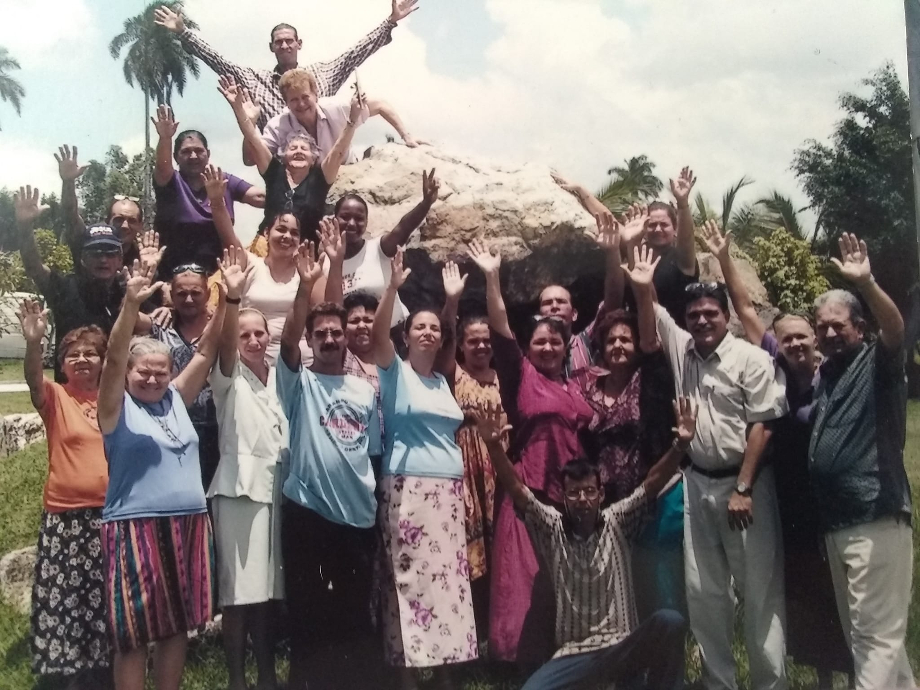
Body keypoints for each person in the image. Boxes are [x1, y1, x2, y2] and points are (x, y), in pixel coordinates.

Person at [701, 220, 853, 687]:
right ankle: (825, 677)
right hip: (788, 499)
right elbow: (744, 307)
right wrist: (724, 256)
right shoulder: (776, 371)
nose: (794, 344)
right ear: (776, 343)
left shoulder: (835, 376)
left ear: (815, 337)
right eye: (785, 338)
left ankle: (856, 675)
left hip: (831, 498)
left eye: (802, 336)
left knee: (843, 590)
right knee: (805, 589)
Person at [629, 245, 789, 690]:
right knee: (705, 594)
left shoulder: (751, 360)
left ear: (725, 316)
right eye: (694, 314)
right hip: (697, 483)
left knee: (758, 594)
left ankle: (768, 683)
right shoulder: (683, 350)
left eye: (710, 313)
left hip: (746, 486)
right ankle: (719, 682)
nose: (701, 321)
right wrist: (642, 286)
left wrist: (743, 486)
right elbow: (655, 313)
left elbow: (764, 425)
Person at [476, 397, 696, 690]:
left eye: (590, 492)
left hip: (621, 647)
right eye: (575, 493)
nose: (583, 500)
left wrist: (680, 445)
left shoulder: (618, 521)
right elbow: (517, 489)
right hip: (574, 655)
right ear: (564, 497)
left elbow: (652, 483)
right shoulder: (551, 527)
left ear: (601, 494)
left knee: (670, 621)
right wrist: (493, 446)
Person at [96, 254, 224, 690]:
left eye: (160, 371)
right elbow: (113, 358)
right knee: (132, 632)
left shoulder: (176, 399)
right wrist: (132, 303)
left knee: (176, 625)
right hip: (135, 526)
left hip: (188, 523)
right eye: (143, 371)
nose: (152, 379)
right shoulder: (116, 406)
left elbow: (206, 349)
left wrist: (231, 297)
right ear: (128, 374)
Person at [467, 239, 594, 665]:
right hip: (526, 495)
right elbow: (501, 330)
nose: (548, 348)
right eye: (539, 342)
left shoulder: (575, 386)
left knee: (562, 580)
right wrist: (491, 276)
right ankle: (520, 661)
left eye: (555, 343)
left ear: (566, 345)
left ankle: (566, 656)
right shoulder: (519, 377)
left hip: (568, 498)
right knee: (522, 579)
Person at [809, 234, 914, 690]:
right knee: (869, 639)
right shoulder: (826, 375)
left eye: (839, 326)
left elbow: (897, 330)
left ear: (860, 328)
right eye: (823, 327)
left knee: (874, 640)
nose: (830, 333)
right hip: (837, 523)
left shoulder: (879, 363)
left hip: (875, 516)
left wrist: (868, 283)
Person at [276, 241, 382, 690]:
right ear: (311, 340)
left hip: (357, 516)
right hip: (307, 512)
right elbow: (285, 342)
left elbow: (371, 452)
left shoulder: (364, 390)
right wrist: (305, 286)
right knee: (307, 608)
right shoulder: (297, 383)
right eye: (320, 334)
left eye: (336, 332)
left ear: (346, 336)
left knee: (356, 610)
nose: (330, 339)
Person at [372, 247, 477, 688]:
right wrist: (392, 289)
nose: (429, 333)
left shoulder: (442, 379)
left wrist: (451, 302)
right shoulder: (394, 371)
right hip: (408, 493)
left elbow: (449, 328)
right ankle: (408, 681)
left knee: (450, 587)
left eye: (435, 328)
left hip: (448, 494)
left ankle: (448, 678)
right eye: (420, 326)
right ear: (407, 335)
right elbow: (378, 336)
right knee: (409, 585)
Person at [207, 247, 288, 690]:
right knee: (238, 596)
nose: (254, 340)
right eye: (245, 335)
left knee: (266, 598)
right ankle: (238, 680)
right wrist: (232, 300)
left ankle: (268, 677)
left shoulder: (277, 378)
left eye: (260, 334)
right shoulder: (227, 375)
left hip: (274, 494)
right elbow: (221, 345)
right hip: (239, 494)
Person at [21, 301, 111, 690]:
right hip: (66, 519)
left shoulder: (116, 399)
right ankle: (63, 676)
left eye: (91, 352)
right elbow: (32, 381)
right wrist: (33, 343)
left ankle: (102, 671)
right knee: (64, 602)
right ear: (63, 364)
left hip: (110, 517)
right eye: (73, 354)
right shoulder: (57, 397)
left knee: (103, 601)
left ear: (105, 360)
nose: (82, 359)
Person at [154, 1, 420, 131]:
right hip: (281, 168)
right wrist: (183, 32)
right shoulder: (254, 80)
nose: (284, 46)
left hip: (327, 161)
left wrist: (391, 21)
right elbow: (217, 60)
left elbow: (355, 53)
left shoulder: (321, 73)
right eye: (278, 42)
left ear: (299, 44)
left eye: (288, 41)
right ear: (271, 47)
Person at [218, 74, 363, 244]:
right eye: (293, 148)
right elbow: (253, 138)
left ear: (314, 157)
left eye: (304, 149)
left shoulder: (321, 178)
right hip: (267, 247)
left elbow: (339, 150)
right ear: (283, 155)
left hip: (305, 251)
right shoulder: (273, 173)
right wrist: (240, 112)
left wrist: (352, 119)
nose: (299, 151)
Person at [206, 164, 326, 365]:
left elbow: (322, 316)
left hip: (301, 362)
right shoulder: (251, 264)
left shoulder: (308, 271)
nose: (287, 236)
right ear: (266, 233)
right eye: (281, 229)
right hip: (253, 359)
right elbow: (227, 234)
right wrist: (217, 201)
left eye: (294, 233)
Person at [13, 186, 135, 382]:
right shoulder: (65, 288)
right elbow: (34, 266)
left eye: (110, 253)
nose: (103, 260)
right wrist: (25, 227)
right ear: (82, 259)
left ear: (120, 259)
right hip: (69, 398)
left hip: (115, 397)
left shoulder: (128, 294)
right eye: (95, 253)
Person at [553, 167, 699, 322]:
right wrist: (582, 192)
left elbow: (687, 239)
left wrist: (682, 204)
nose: (657, 229)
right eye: (652, 224)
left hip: (676, 338)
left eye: (664, 225)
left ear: (675, 229)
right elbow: (611, 223)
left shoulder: (681, 259)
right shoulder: (636, 248)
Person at [141, 233, 222, 490]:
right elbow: (128, 319)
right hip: (165, 428)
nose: (188, 299)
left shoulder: (221, 327)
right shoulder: (159, 324)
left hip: (214, 429)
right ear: (171, 295)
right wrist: (142, 280)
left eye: (195, 293)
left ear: (208, 293)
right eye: (181, 293)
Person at [151, 105, 264, 276]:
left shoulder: (221, 180)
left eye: (199, 151)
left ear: (208, 153)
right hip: (173, 279)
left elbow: (262, 198)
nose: (193, 156)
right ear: (175, 157)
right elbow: (162, 165)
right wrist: (165, 138)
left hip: (217, 278)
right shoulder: (170, 182)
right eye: (186, 152)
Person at [320, 171, 440, 328]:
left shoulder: (379, 249)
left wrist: (426, 203)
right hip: (354, 340)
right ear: (334, 219)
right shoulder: (327, 263)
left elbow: (403, 228)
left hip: (394, 333)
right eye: (345, 216)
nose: (351, 223)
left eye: (359, 218)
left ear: (367, 222)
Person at [261, 68, 422, 165]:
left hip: (347, 173)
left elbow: (380, 105)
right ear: (286, 102)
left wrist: (406, 136)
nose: (301, 104)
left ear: (315, 94)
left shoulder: (336, 108)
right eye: (294, 100)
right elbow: (250, 159)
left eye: (305, 97)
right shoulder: (278, 125)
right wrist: (247, 122)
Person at [55, 144, 142, 266]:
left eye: (132, 220)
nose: (125, 226)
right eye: (119, 219)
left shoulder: (145, 255)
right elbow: (71, 217)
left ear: (140, 226)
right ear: (107, 221)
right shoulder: (90, 241)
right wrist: (68, 182)